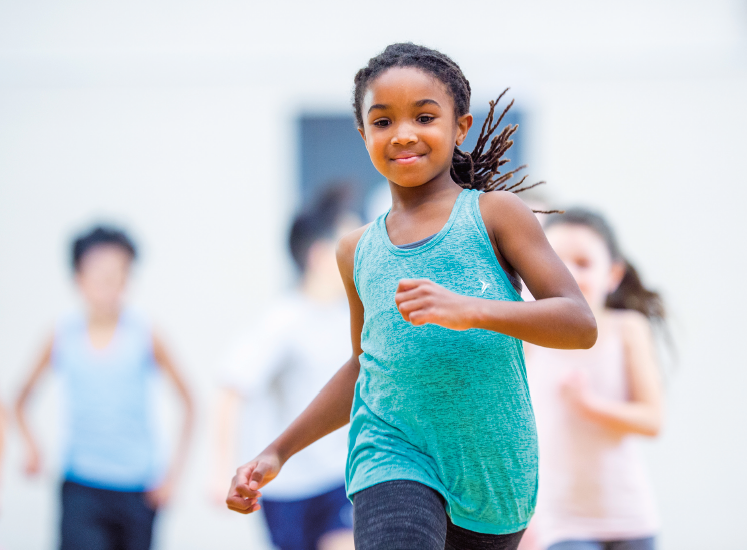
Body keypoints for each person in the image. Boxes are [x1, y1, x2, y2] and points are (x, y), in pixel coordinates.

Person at [226, 43, 597, 550]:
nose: (403, 134)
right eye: (382, 122)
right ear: (363, 134)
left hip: (492, 475)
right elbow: (363, 364)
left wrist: (473, 311)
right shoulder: (355, 249)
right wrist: (277, 451)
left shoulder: (496, 215)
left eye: (424, 116)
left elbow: (579, 323)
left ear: (460, 126)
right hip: (390, 453)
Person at [15, 225, 194, 550]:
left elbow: (189, 402)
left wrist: (172, 476)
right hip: (81, 484)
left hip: (138, 489)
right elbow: (18, 399)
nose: (110, 286)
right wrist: (32, 446)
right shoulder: (61, 335)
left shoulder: (145, 333)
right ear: (78, 278)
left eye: (119, 275)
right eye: (100, 275)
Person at [213, 188, 357, 550]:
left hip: (340, 480)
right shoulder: (284, 320)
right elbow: (231, 388)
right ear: (321, 256)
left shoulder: (355, 319)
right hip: (287, 489)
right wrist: (220, 469)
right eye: (355, 245)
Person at [523, 208, 664, 550]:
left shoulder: (628, 329)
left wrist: (589, 406)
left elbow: (653, 420)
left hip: (631, 518)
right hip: (563, 524)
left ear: (612, 274)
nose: (568, 273)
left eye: (584, 263)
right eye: (556, 262)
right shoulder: (527, 336)